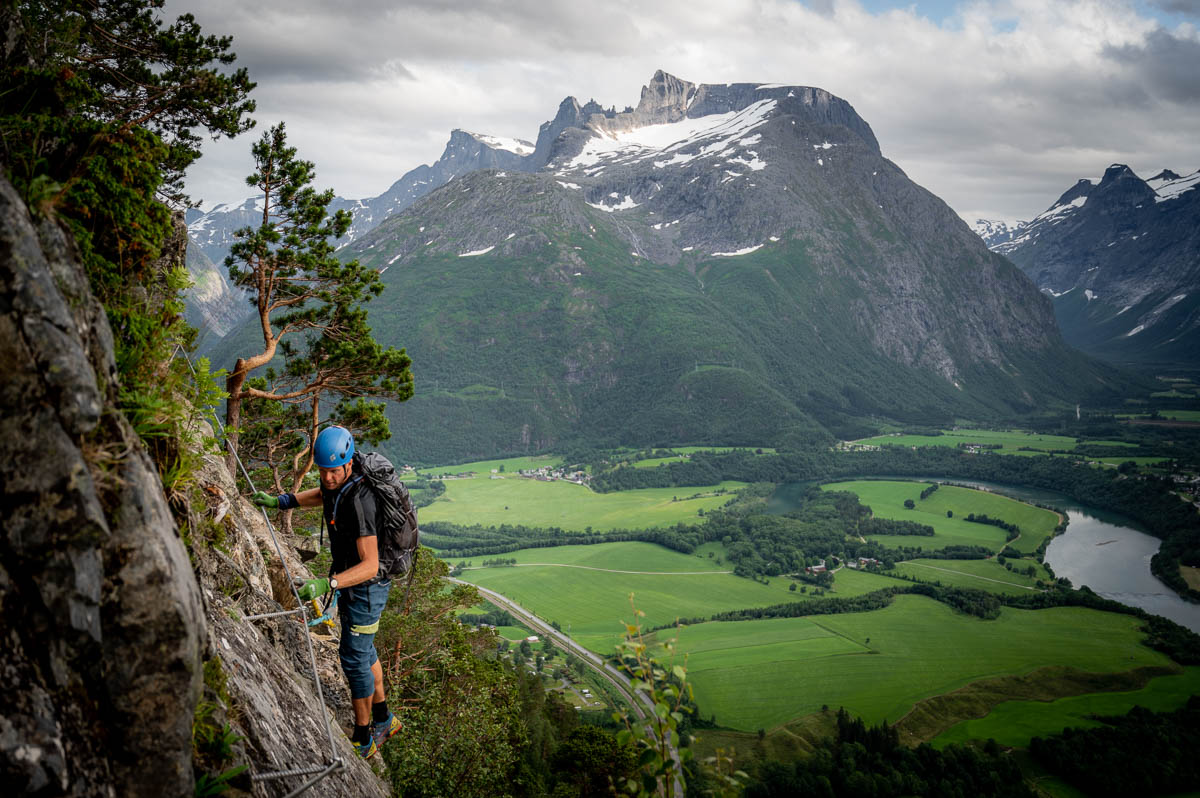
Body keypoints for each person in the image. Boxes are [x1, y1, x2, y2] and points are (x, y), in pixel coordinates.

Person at [251, 425, 401, 759]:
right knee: (365, 650)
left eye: (334, 471)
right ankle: (384, 719)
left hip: (365, 588)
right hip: (352, 582)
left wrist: (328, 583)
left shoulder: (361, 502)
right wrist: (283, 501)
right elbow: (322, 494)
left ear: (348, 464)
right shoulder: (337, 482)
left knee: (353, 658)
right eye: (322, 470)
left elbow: (371, 565)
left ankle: (363, 738)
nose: (328, 477)